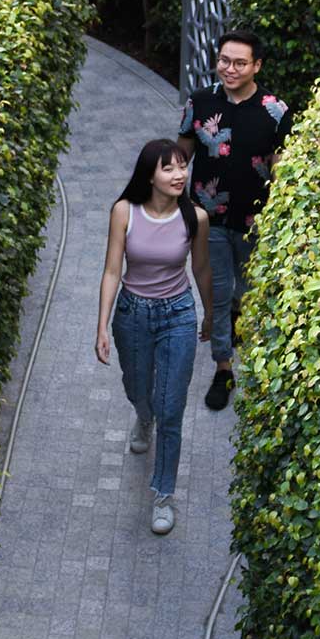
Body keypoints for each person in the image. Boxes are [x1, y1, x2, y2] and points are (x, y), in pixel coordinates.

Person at [96, 138, 213, 535]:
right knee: (137, 387)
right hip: (132, 313)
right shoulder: (124, 211)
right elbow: (113, 270)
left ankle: (163, 494)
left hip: (178, 313)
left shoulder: (195, 217)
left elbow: (201, 270)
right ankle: (141, 417)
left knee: (172, 408)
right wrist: (101, 325)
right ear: (150, 175)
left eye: (182, 166)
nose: (179, 174)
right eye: (169, 168)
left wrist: (211, 314)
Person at [176, 29, 290, 412]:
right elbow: (181, 157)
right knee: (219, 293)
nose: (230, 68)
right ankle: (224, 367)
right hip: (209, 220)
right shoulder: (200, 102)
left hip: (256, 223)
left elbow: (281, 170)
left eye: (240, 62)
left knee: (249, 291)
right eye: (224, 60)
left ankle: (241, 328)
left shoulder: (275, 112)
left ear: (257, 66)